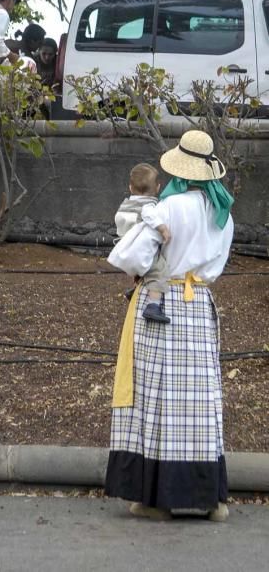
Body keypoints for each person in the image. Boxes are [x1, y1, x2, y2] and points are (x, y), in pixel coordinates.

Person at [105, 130, 234, 522]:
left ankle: (153, 500)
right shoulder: (223, 215)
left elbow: (130, 256)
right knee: (201, 401)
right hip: (199, 307)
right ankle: (213, 501)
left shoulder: (168, 207)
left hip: (162, 306)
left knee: (157, 398)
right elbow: (217, 265)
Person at [114, 163, 171, 323]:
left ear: (130, 187)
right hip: (140, 248)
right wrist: (163, 229)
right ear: (158, 187)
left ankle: (135, 291)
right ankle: (152, 306)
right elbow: (149, 215)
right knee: (158, 271)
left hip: (125, 247)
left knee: (142, 272)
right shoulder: (149, 206)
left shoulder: (126, 203)